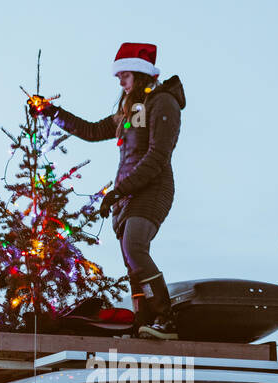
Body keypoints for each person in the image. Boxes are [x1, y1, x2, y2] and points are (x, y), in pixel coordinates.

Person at [31, 42, 185, 339]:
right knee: (132, 261)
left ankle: (167, 318)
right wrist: (51, 111)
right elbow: (90, 131)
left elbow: (157, 157)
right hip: (127, 194)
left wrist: (117, 191)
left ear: (140, 75)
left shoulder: (163, 103)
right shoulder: (132, 110)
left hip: (152, 189)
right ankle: (144, 322)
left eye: (124, 76)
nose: (120, 82)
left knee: (134, 248)